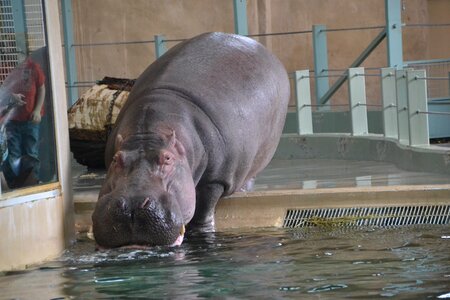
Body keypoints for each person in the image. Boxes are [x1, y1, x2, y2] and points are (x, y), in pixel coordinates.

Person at [0, 51, 45, 188]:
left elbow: (41, 88)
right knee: (14, 154)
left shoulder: (33, 68)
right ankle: (16, 183)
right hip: (12, 120)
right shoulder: (6, 69)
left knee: (31, 152)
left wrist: (37, 110)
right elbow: (3, 90)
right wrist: (11, 97)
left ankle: (33, 180)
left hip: (30, 120)